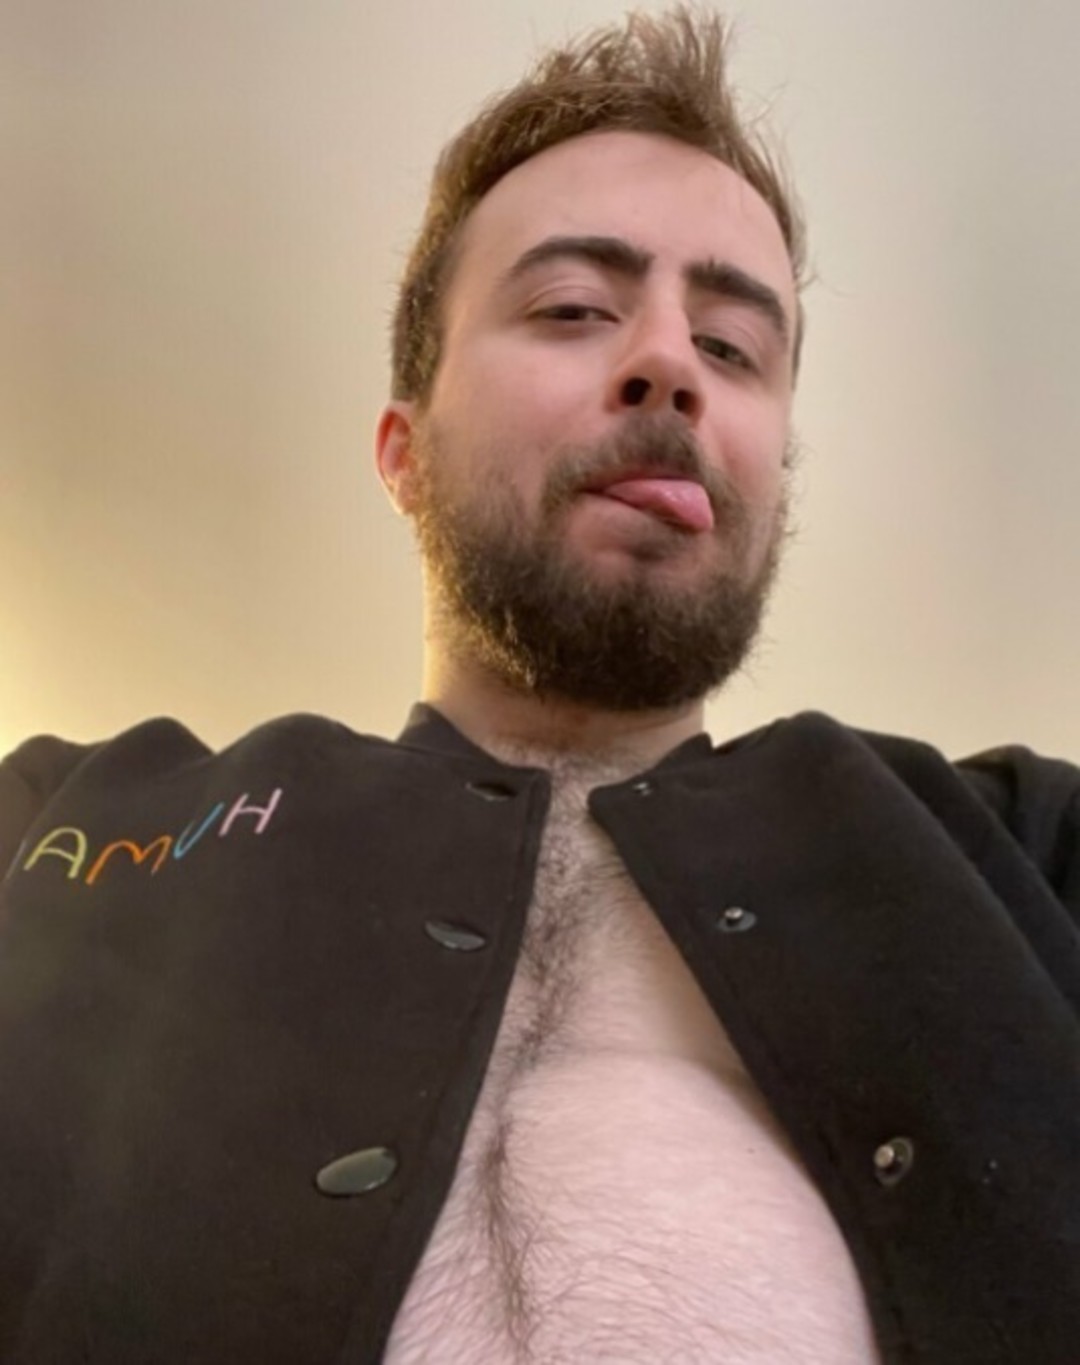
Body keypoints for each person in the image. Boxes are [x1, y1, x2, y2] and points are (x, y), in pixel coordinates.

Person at [1, 8, 1078, 1364]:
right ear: (403, 451)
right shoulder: (61, 822)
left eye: (734, 348)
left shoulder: (1028, 851)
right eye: (572, 308)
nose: (670, 364)